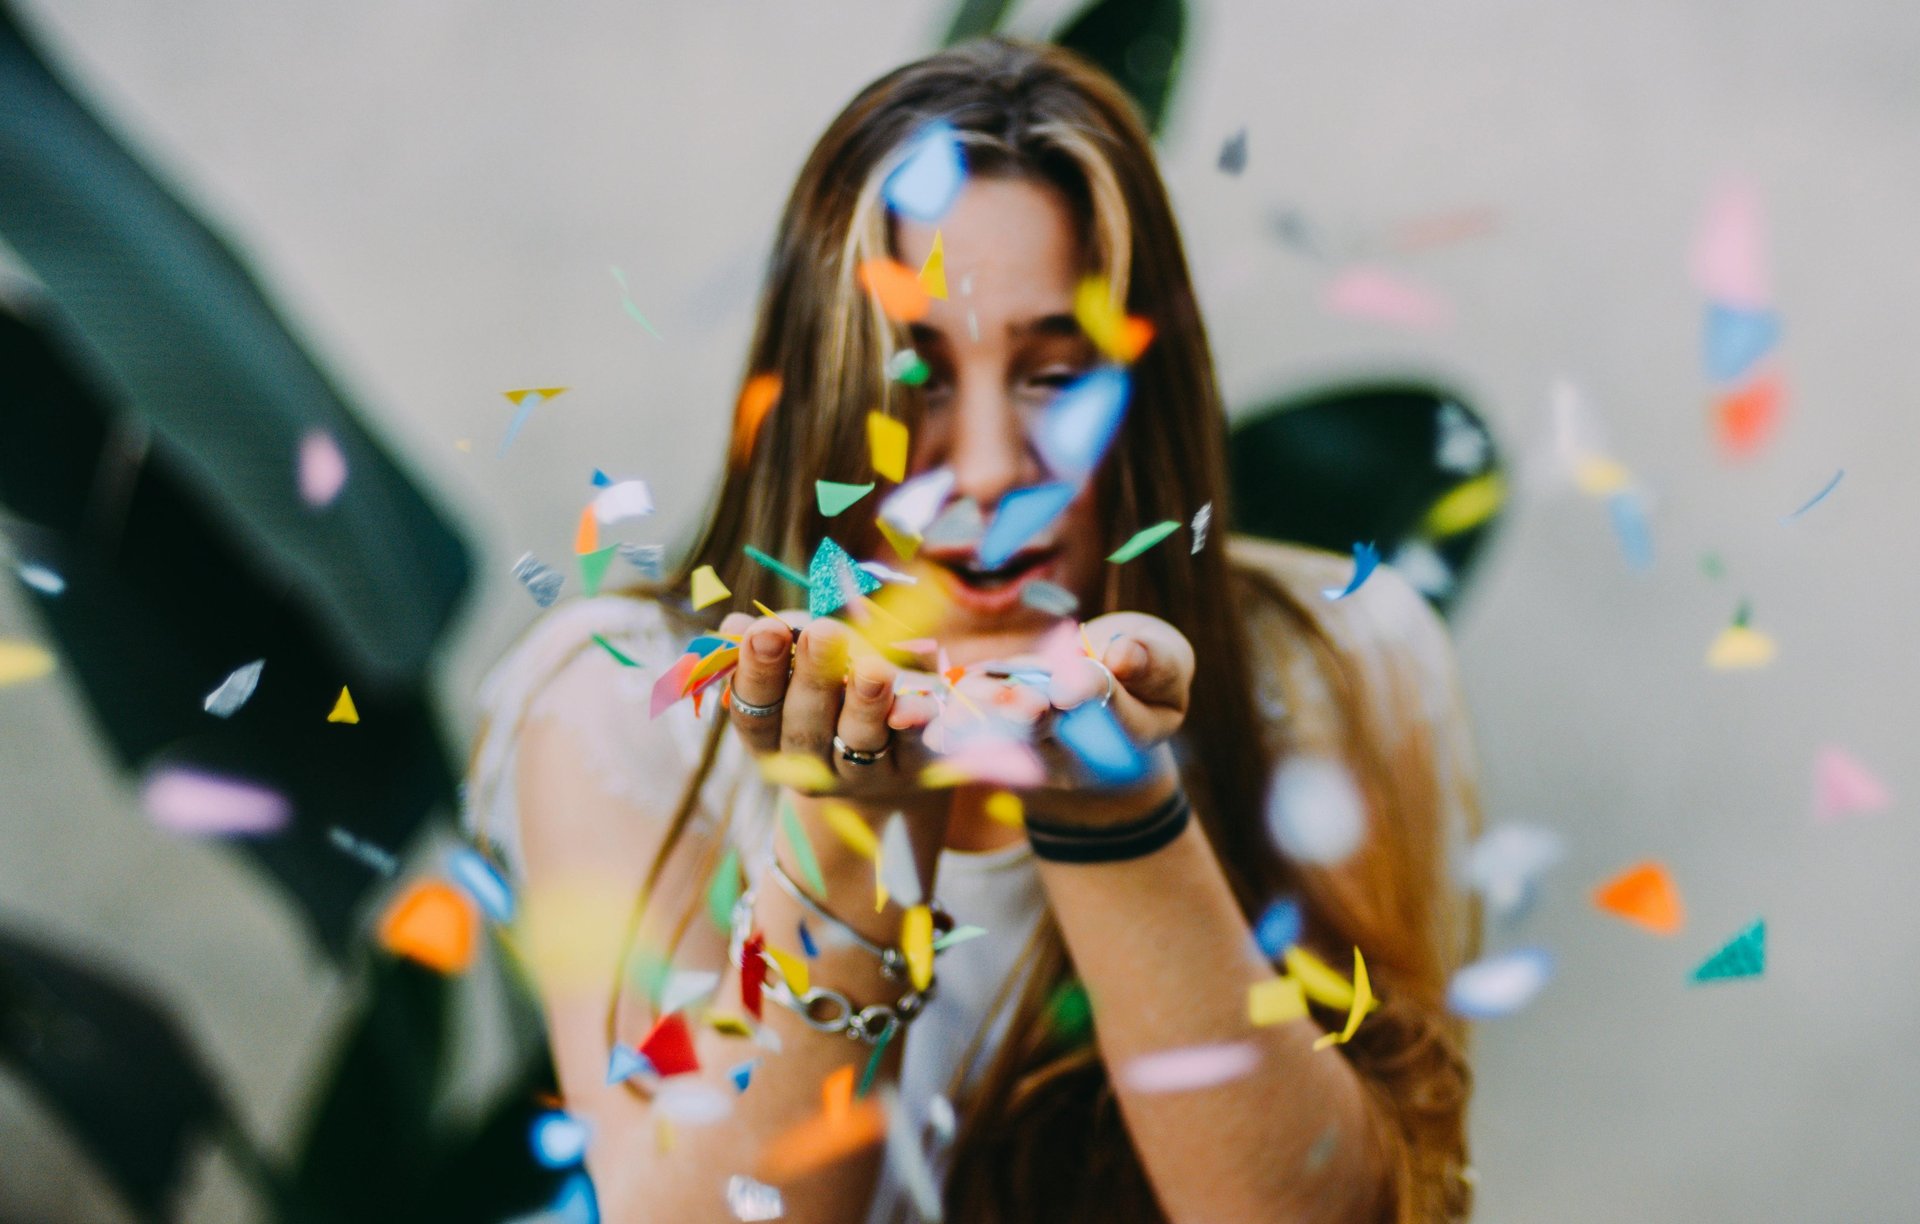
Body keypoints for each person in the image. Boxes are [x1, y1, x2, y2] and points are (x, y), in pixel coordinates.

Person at [467, 37, 1479, 1224]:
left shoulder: (1341, 665)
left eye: (1056, 378)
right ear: (822, 384)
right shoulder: (623, 706)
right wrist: (856, 832)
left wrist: (1109, 808)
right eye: (920, 378)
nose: (994, 470)